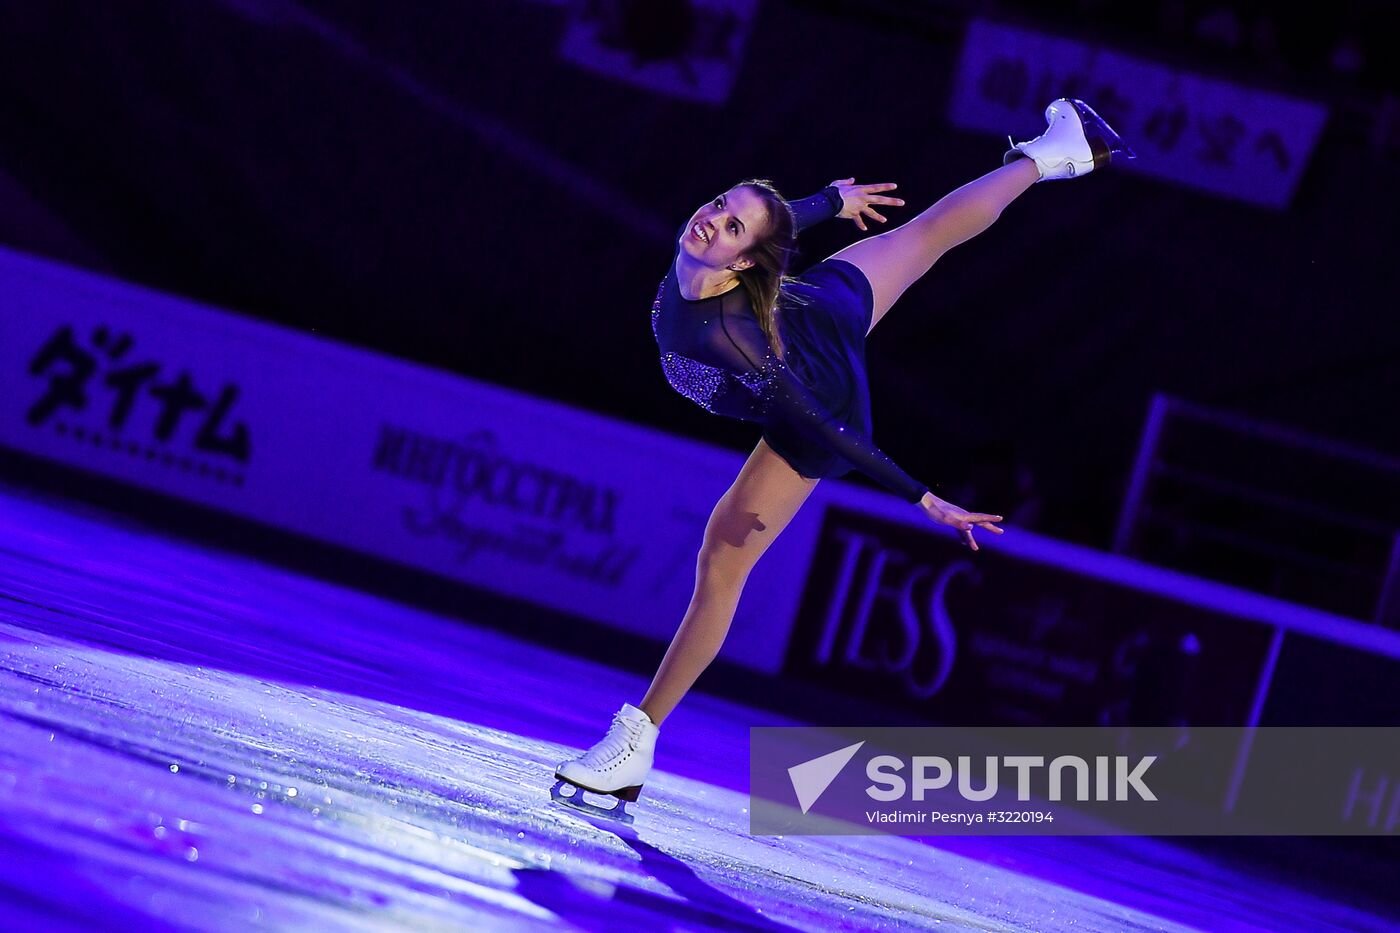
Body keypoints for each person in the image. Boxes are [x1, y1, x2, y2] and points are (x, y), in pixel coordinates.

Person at [551, 99, 1135, 822]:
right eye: (718, 205)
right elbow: (773, 222)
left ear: (739, 264)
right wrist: (832, 199)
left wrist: (922, 496)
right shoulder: (735, 266)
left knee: (721, 561)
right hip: (820, 304)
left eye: (731, 226)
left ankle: (635, 739)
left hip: (814, 389)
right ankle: (1058, 153)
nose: (712, 219)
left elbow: (824, 424)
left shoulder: (735, 341)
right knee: (925, 236)